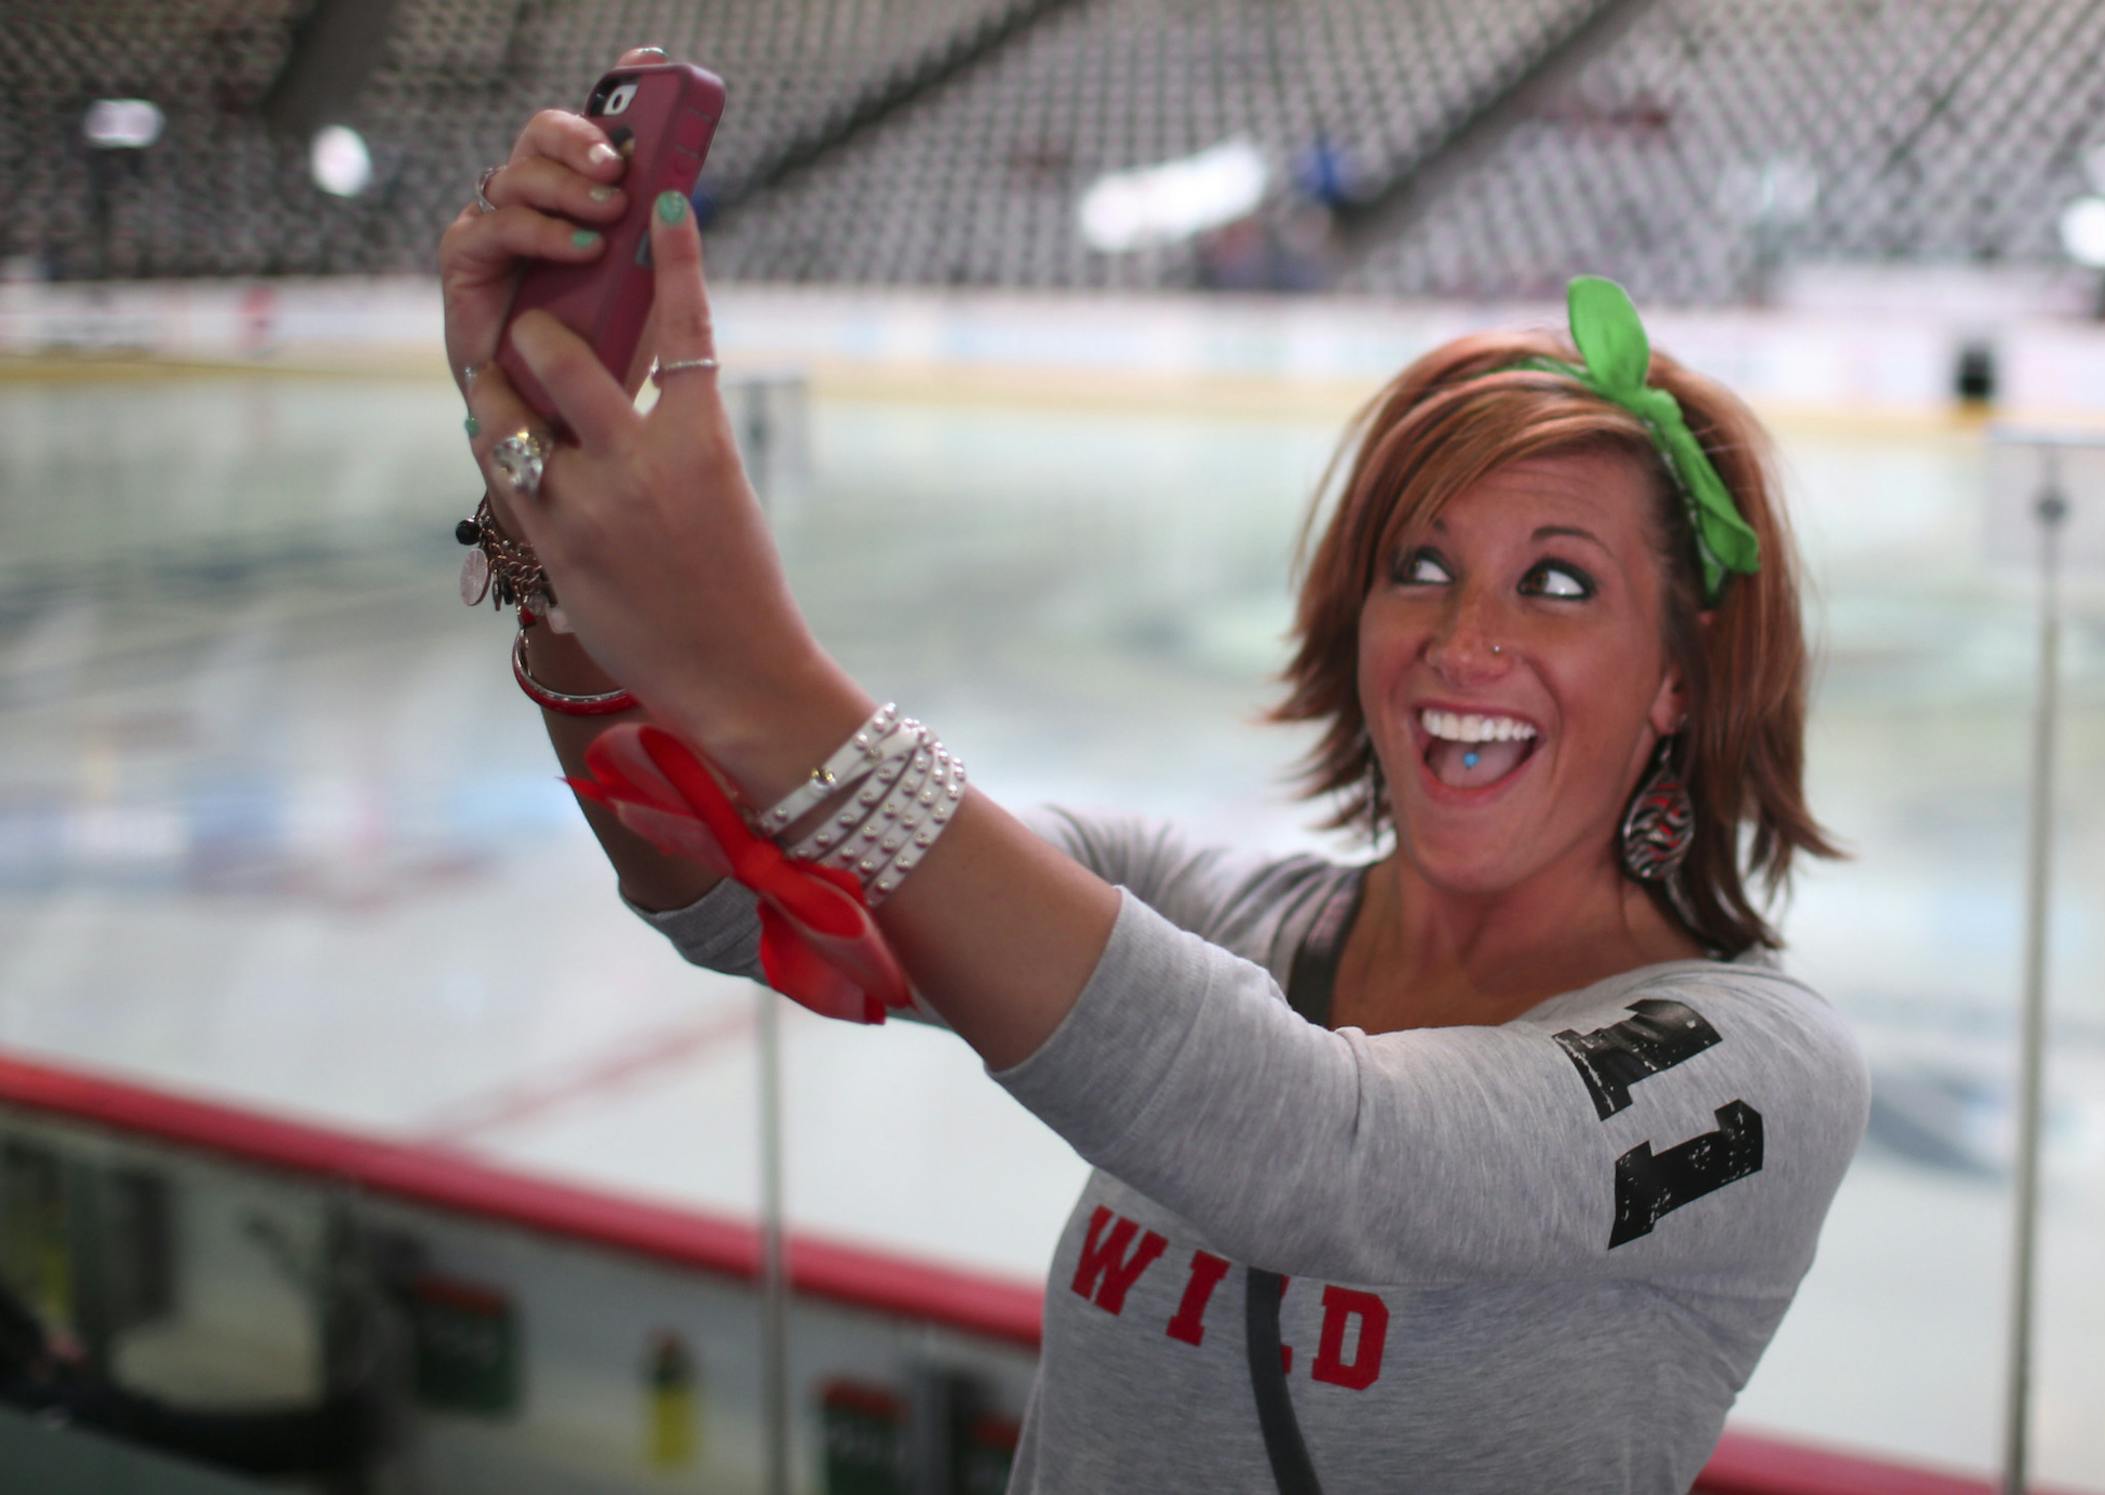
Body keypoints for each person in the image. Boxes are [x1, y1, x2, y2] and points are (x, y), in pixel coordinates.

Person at [439, 52, 1870, 1492]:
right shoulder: (1188, 902)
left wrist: (762, 672)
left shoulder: (1753, 1074)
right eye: (1419, 567)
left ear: (1680, 679)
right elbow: (725, 889)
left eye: (1558, 584)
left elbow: (1331, 1156)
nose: (1464, 640)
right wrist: (540, 530)